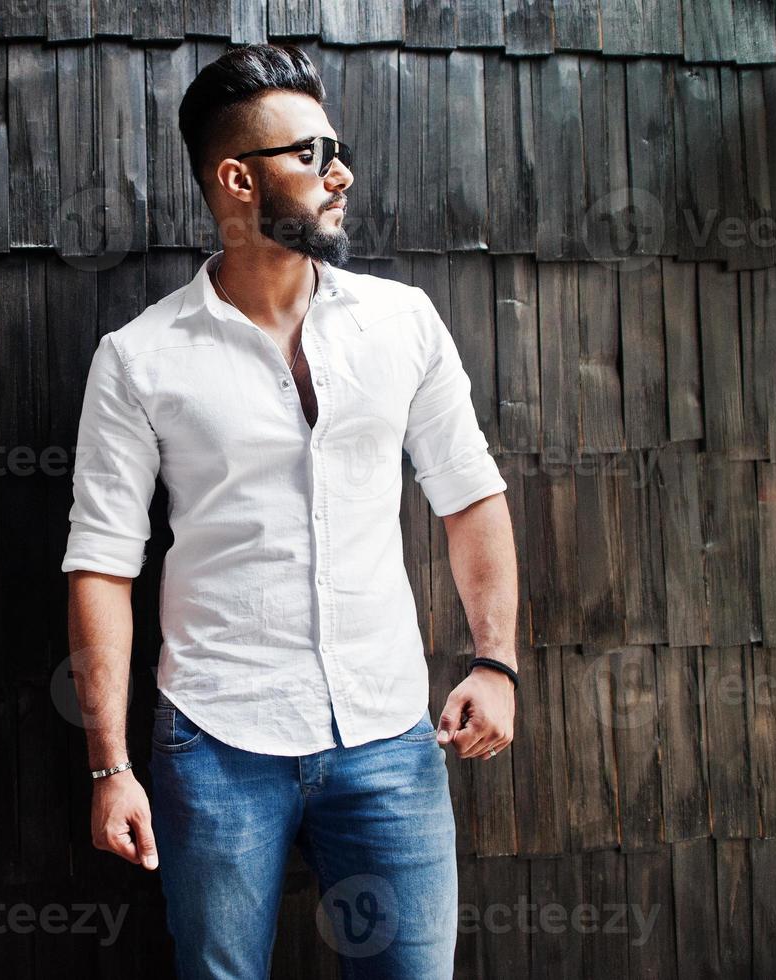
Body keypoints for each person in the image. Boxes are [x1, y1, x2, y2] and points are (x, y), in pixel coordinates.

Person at [61, 42, 519, 980]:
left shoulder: (402, 322)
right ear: (236, 178)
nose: (338, 171)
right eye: (309, 154)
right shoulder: (140, 359)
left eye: (334, 147)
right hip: (217, 744)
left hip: (391, 737)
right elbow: (102, 563)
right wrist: (111, 767)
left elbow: (468, 494)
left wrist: (496, 659)